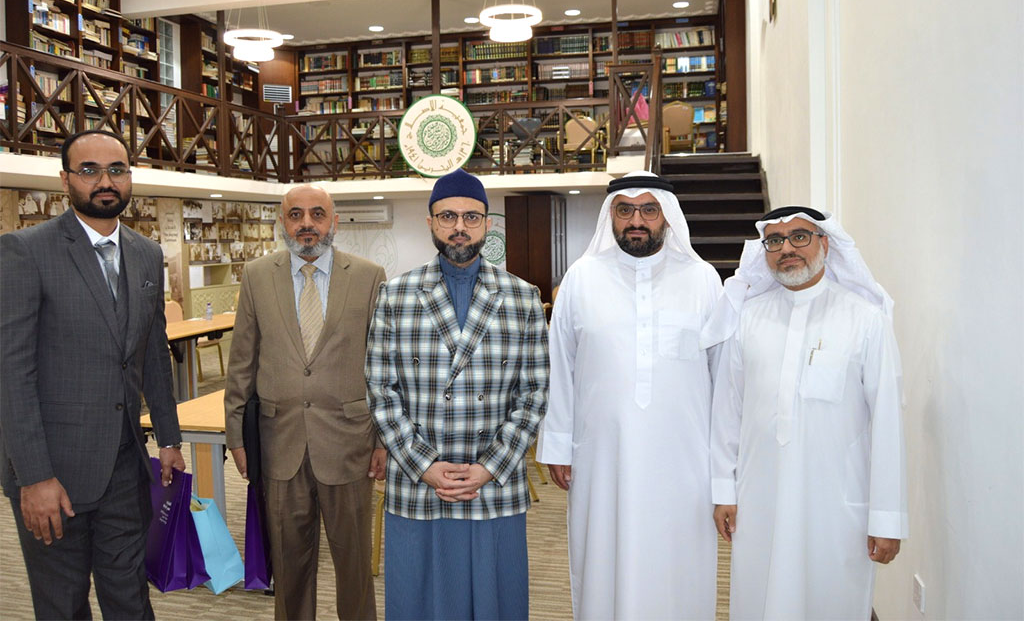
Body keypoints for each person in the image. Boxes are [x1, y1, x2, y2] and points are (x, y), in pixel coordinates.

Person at [0, 129, 184, 619]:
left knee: (130, 600)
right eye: (89, 170)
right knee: (63, 605)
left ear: (130, 178)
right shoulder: (25, 251)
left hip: (126, 464)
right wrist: (34, 477)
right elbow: (12, 375)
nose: (105, 181)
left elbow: (151, 353)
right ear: (66, 180)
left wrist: (168, 438)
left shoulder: (146, 254)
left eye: (117, 170)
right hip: (54, 474)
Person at [536, 170, 723, 619]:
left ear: (666, 217)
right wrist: (558, 444)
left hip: (685, 463)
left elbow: (724, 380)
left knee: (679, 566)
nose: (636, 220)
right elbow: (559, 366)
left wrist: (724, 466)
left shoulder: (703, 280)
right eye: (624, 210)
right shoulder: (580, 278)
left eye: (648, 209)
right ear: (611, 217)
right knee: (603, 559)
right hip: (602, 460)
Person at [706, 205, 908, 620]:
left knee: (831, 600)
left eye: (799, 236)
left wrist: (887, 518)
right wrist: (723, 492)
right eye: (775, 241)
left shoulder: (865, 318)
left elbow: (888, 422)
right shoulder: (748, 317)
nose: (787, 249)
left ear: (825, 244)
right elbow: (728, 411)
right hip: (760, 498)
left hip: (835, 504)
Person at [365, 168, 549, 620]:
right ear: (430, 222)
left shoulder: (522, 297)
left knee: (495, 601)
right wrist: (423, 465)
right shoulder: (396, 294)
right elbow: (380, 390)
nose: (459, 226)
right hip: (419, 480)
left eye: (471, 216)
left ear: (488, 224)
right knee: (418, 600)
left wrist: (491, 467)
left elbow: (535, 392)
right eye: (447, 216)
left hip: (493, 481)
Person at [224, 184, 387, 620]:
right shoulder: (258, 275)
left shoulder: (370, 276)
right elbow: (242, 360)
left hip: (350, 443)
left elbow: (383, 364)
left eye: (317, 214)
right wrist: (236, 435)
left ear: (334, 221)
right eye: (296, 215)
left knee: (354, 566)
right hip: (281, 443)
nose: (307, 224)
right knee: (290, 568)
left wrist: (383, 440)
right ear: (283, 222)